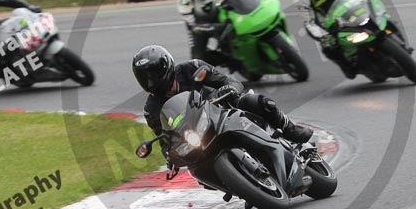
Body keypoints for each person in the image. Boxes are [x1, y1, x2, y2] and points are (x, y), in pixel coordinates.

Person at [132, 45, 313, 148]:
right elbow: (165, 140)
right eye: (145, 78)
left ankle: (289, 129)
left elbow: (230, 81)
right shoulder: (152, 109)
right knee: (196, 170)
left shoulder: (191, 68)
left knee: (258, 102)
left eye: (154, 74)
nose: (151, 81)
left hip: (225, 109)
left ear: (166, 67)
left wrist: (228, 89)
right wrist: (169, 155)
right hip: (198, 135)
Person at [176, 0, 266, 67]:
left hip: (217, 16)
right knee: (197, 61)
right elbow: (192, 25)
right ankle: (221, 61)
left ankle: (250, 52)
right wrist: (209, 28)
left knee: (237, 29)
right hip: (199, 26)